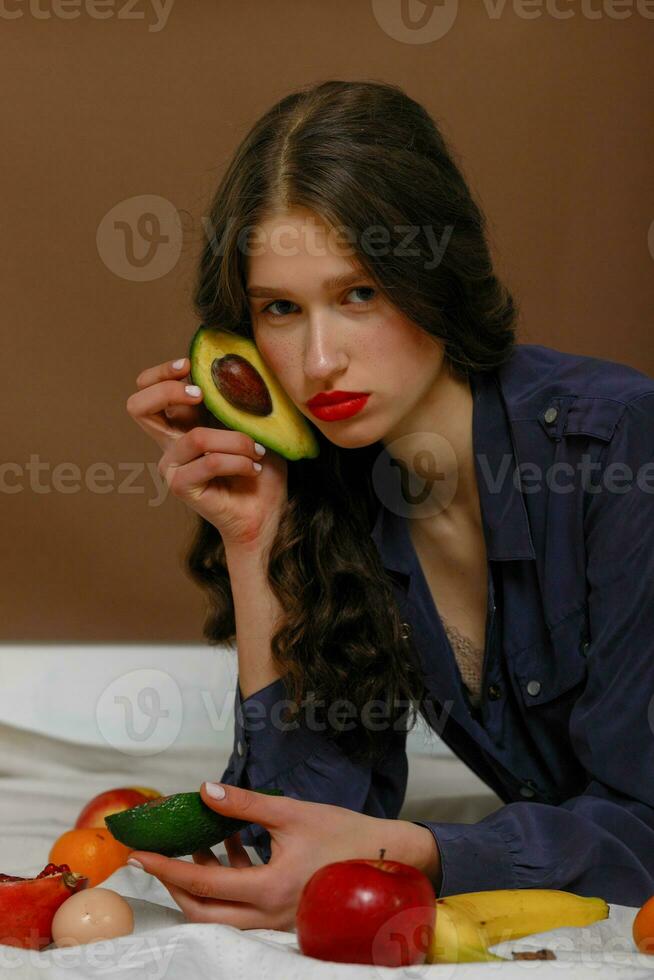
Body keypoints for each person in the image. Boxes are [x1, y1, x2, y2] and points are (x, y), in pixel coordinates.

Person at [125, 79, 654, 931]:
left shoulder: (619, 448)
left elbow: (648, 829)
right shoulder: (338, 492)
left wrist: (420, 854)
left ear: (435, 278)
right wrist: (257, 539)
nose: (320, 360)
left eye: (359, 294)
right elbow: (292, 836)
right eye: (281, 310)